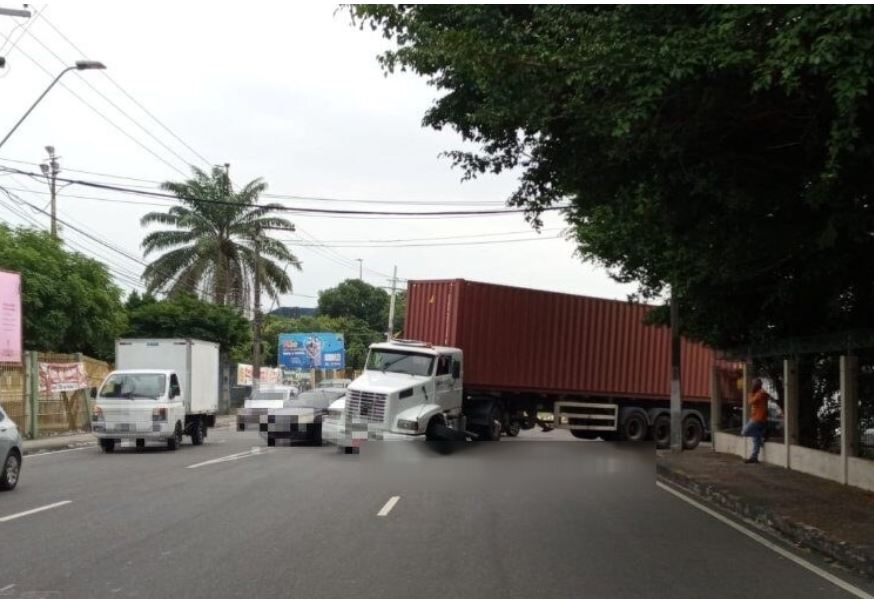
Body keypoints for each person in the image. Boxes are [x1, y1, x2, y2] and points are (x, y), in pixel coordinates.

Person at [742, 377, 769, 464]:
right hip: (757, 417)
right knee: (756, 439)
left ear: (756, 385)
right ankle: (754, 457)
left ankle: (763, 434)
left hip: (757, 419)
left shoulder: (759, 394)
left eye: (753, 384)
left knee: (744, 432)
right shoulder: (760, 393)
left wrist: (750, 393)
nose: (751, 385)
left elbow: (750, 402)